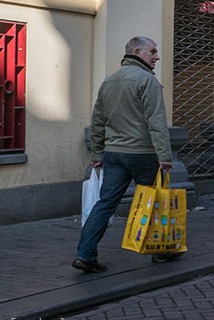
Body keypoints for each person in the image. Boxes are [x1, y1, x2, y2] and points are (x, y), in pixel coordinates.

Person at [73, 36, 175, 273]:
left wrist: (97, 153)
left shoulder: (108, 81)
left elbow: (98, 121)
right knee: (153, 202)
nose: (156, 56)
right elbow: (156, 121)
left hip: (114, 154)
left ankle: (85, 254)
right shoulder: (147, 81)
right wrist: (164, 155)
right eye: (153, 52)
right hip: (142, 154)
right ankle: (160, 252)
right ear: (138, 51)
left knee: (105, 203)